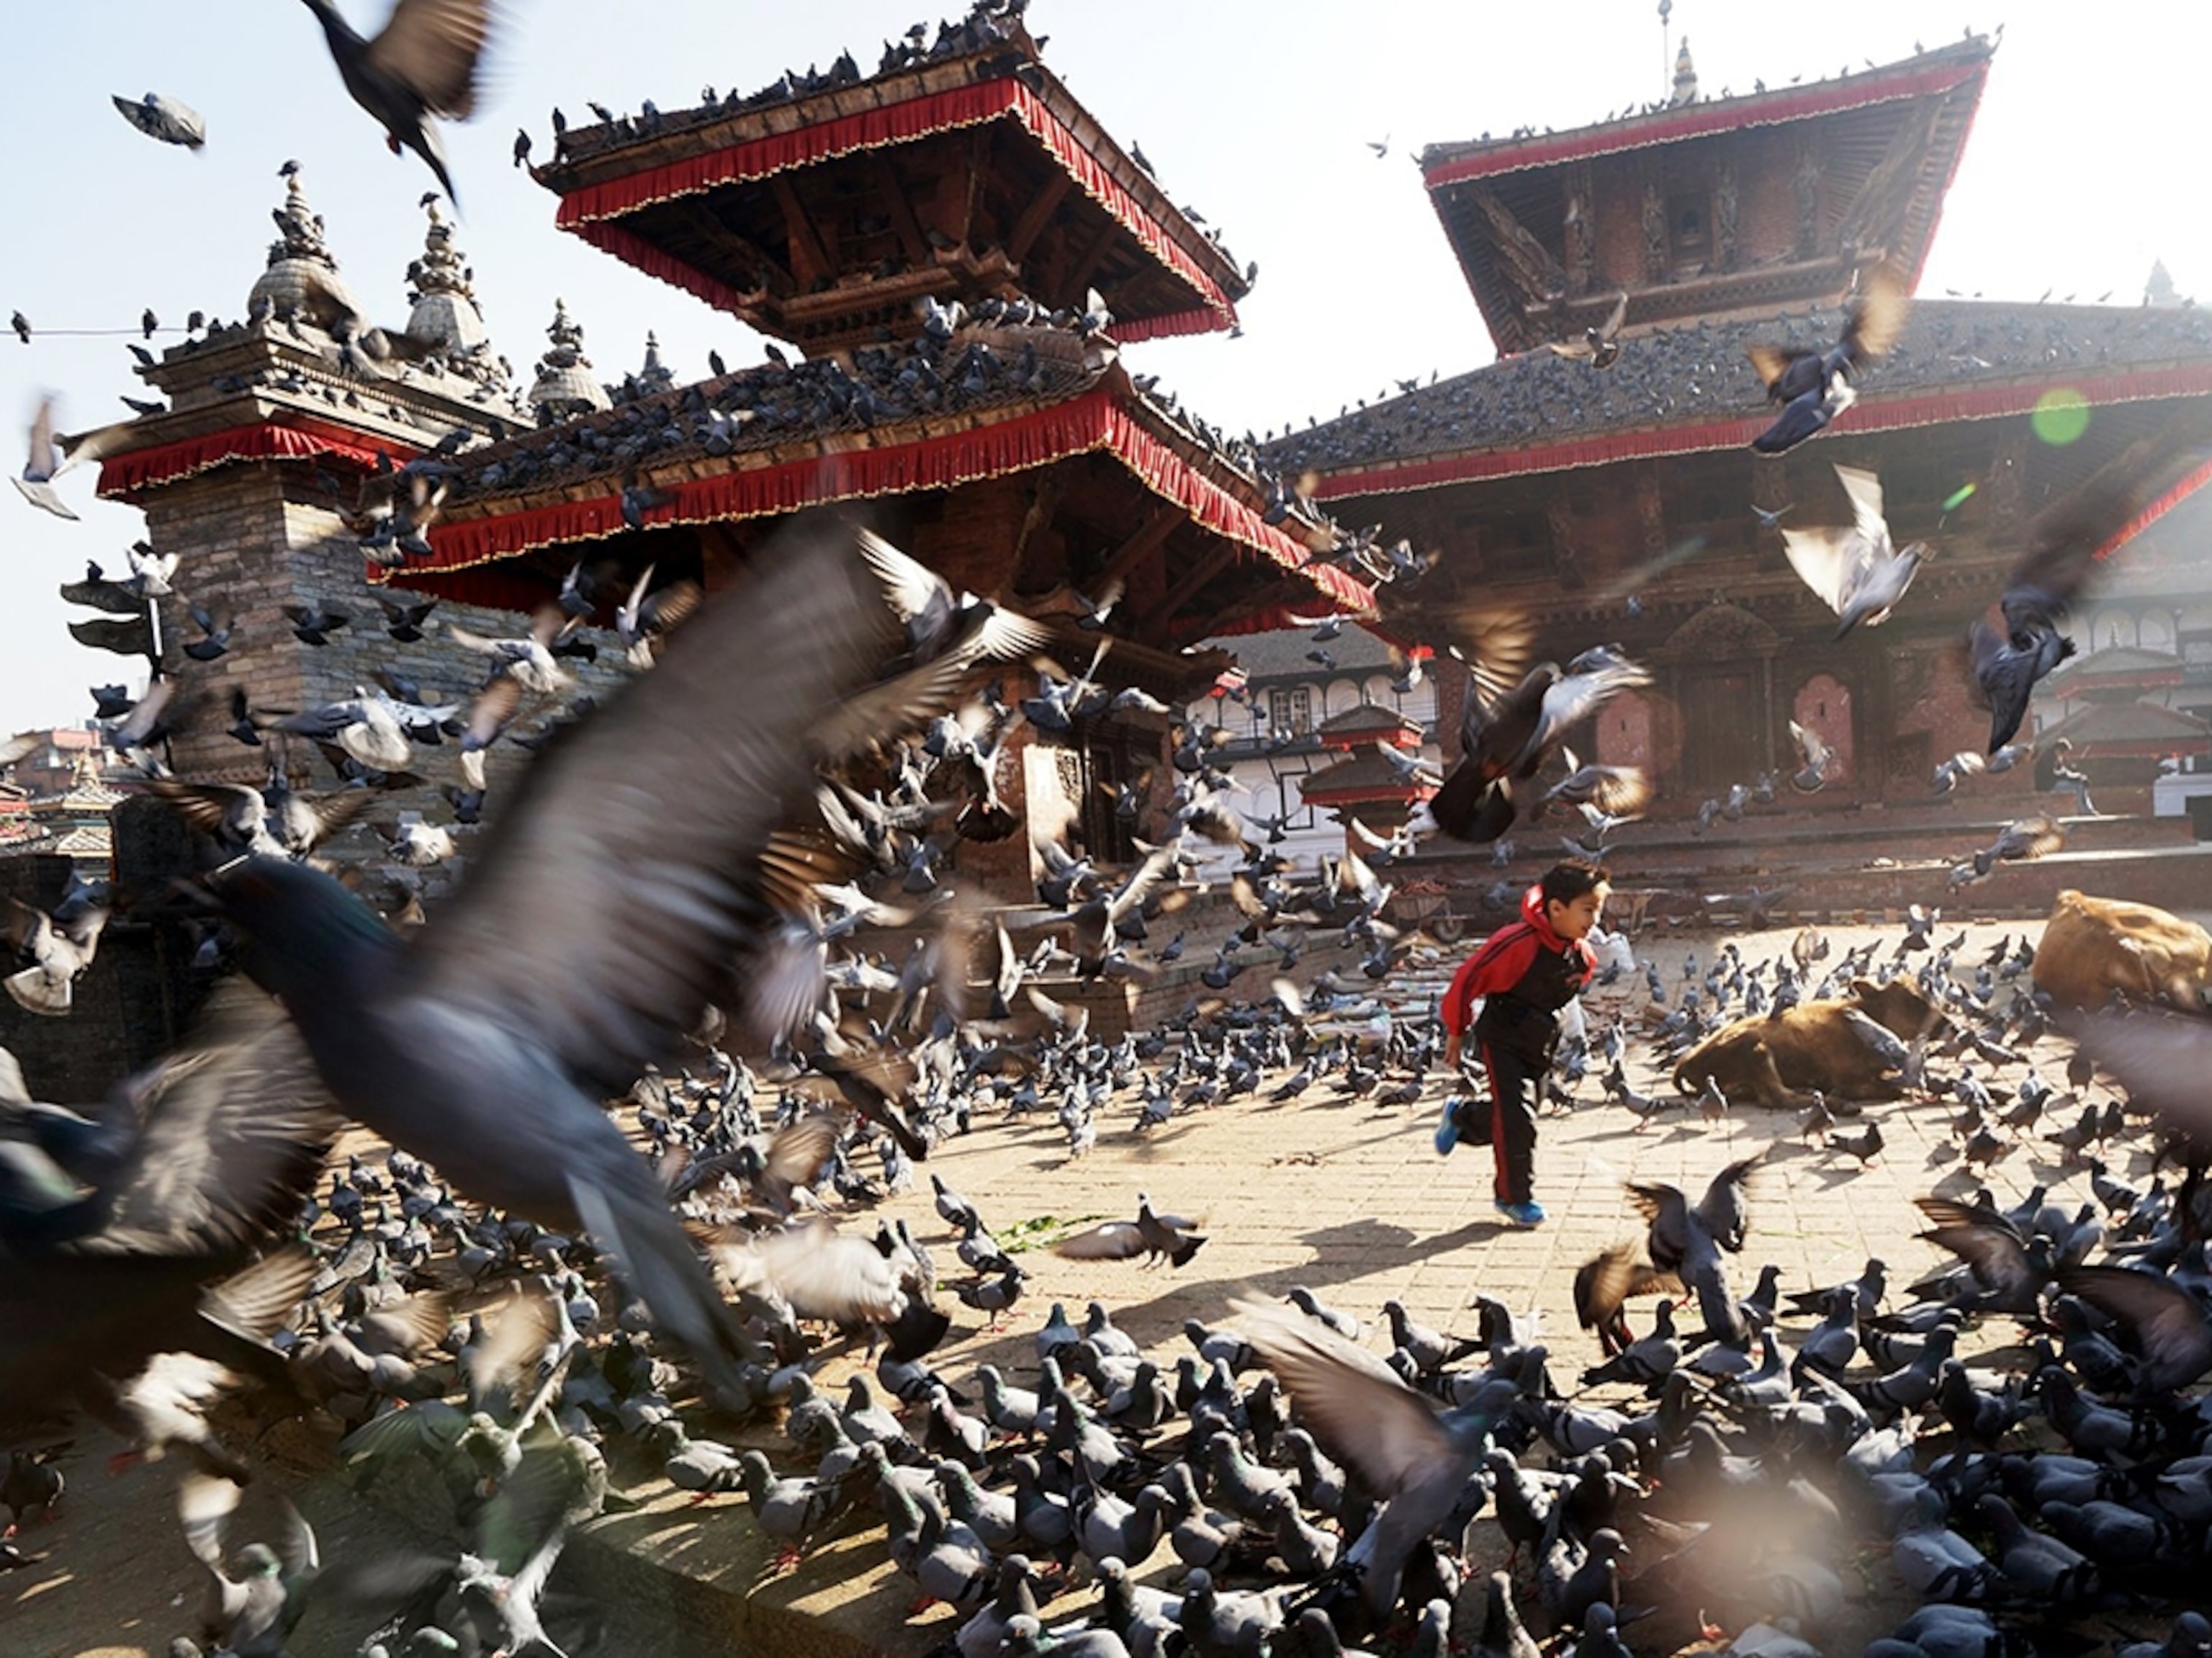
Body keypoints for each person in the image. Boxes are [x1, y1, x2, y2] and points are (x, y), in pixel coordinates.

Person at [1434, 858, 1609, 1226]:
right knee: (1519, 1120)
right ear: (1556, 908)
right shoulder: (1515, 942)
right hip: (1502, 1037)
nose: (1595, 919)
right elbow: (1466, 981)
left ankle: (1462, 1116)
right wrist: (1456, 1030)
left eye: (1599, 909)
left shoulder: (1580, 954)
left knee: (1520, 1112)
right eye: (1588, 910)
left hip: (1540, 1041)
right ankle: (1514, 1198)